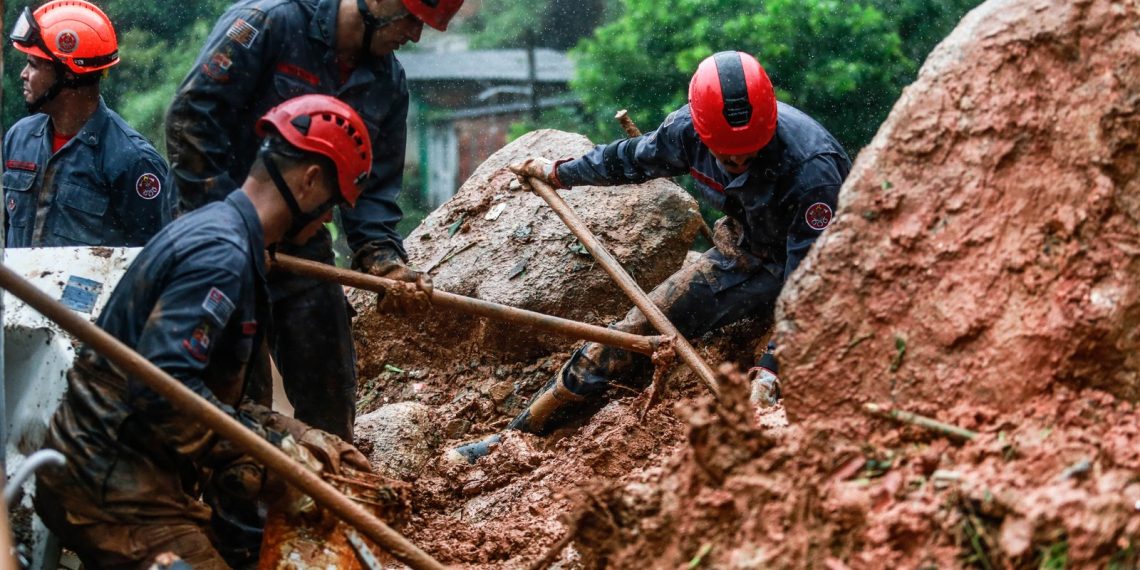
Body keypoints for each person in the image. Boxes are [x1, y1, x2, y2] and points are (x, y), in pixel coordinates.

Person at [450, 51, 852, 463]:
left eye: (750, 152)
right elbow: (628, 160)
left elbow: (813, 279)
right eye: (727, 156)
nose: (739, 162)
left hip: (817, 266)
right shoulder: (686, 131)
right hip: (746, 256)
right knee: (633, 329)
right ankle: (515, 435)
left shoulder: (812, 169)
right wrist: (558, 173)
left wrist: (771, 368)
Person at [34, 95, 374, 569]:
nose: (327, 220)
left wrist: (303, 435)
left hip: (129, 472)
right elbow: (166, 390)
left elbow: (207, 395)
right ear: (310, 180)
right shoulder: (220, 256)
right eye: (333, 204)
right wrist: (280, 452)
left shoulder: (223, 234)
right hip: (110, 487)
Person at [165, 0, 462, 440]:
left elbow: (373, 188)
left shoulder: (387, 82)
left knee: (331, 390)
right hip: (220, 233)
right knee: (237, 405)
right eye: (412, 20)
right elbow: (191, 122)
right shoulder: (268, 23)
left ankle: (328, 491)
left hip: (301, 243)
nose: (415, 36)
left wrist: (382, 259)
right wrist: (235, 229)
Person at [4, 0, 174, 248]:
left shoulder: (133, 162)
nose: (23, 74)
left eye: (33, 64)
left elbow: (160, 260)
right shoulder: (18, 138)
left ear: (69, 74)